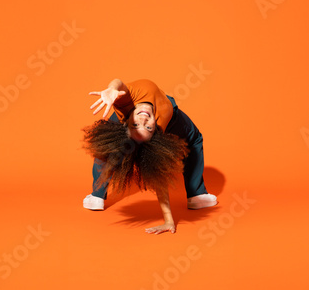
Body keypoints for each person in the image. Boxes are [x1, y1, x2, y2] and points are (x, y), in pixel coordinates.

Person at [82, 79, 217, 234]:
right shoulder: (163, 117)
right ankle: (197, 194)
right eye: (148, 127)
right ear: (156, 130)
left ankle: (96, 194)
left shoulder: (124, 105)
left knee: (108, 144)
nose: (143, 119)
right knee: (194, 138)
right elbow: (158, 178)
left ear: (126, 122)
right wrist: (169, 221)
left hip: (130, 114)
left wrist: (111, 89)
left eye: (136, 124)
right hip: (166, 110)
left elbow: (119, 83)